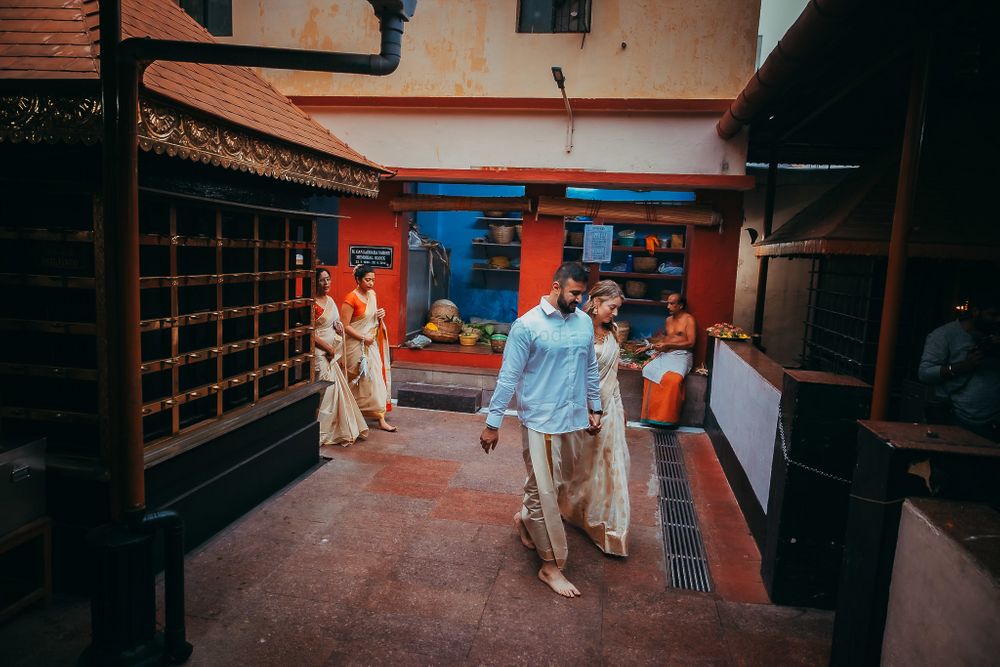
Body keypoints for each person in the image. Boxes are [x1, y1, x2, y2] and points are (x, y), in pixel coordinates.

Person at [479, 262, 602, 598]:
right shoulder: (527, 325)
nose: (579, 299)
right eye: (575, 293)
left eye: (583, 293)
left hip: (574, 418)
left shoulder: (583, 324)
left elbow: (590, 368)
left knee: (555, 483)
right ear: (556, 286)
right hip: (540, 420)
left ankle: (524, 519)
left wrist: (595, 407)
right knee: (547, 493)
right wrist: (493, 423)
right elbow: (508, 377)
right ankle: (551, 565)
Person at [554, 280, 631, 557]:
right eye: (612, 307)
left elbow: (614, 375)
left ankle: (609, 530)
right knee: (576, 465)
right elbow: (570, 374)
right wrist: (587, 409)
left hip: (610, 407)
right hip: (580, 410)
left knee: (610, 466)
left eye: (618, 308)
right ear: (595, 302)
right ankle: (573, 510)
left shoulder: (613, 331)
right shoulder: (577, 327)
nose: (615, 314)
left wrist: (619, 410)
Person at [918, 294, 1000, 441]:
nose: (997, 320)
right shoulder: (944, 335)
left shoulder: (995, 335)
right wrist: (963, 366)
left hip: (994, 422)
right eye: (992, 315)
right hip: (957, 419)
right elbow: (925, 373)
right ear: (976, 312)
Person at [312, 269, 369, 446]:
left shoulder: (330, 301)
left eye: (328, 279)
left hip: (333, 352)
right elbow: (310, 332)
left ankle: (334, 429)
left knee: (334, 390)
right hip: (320, 353)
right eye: (322, 280)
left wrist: (338, 329)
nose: (326, 283)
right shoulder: (311, 303)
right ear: (315, 282)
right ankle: (318, 431)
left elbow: (336, 324)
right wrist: (328, 347)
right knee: (325, 391)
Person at [341, 264, 396, 432]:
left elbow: (372, 321)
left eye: (373, 279)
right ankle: (352, 413)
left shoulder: (372, 295)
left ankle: (380, 417)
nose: (371, 283)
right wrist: (363, 338)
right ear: (358, 279)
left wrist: (380, 315)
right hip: (356, 346)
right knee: (357, 379)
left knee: (375, 378)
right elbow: (345, 326)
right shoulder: (350, 298)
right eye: (367, 280)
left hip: (370, 344)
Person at [639, 292, 696, 427]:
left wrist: (668, 345)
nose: (668, 306)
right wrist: (651, 347)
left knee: (674, 379)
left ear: (681, 305)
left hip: (682, 355)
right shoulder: (668, 320)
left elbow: (691, 343)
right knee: (649, 369)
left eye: (672, 303)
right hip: (668, 354)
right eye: (668, 303)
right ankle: (652, 417)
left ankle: (668, 418)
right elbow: (666, 340)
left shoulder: (689, 320)